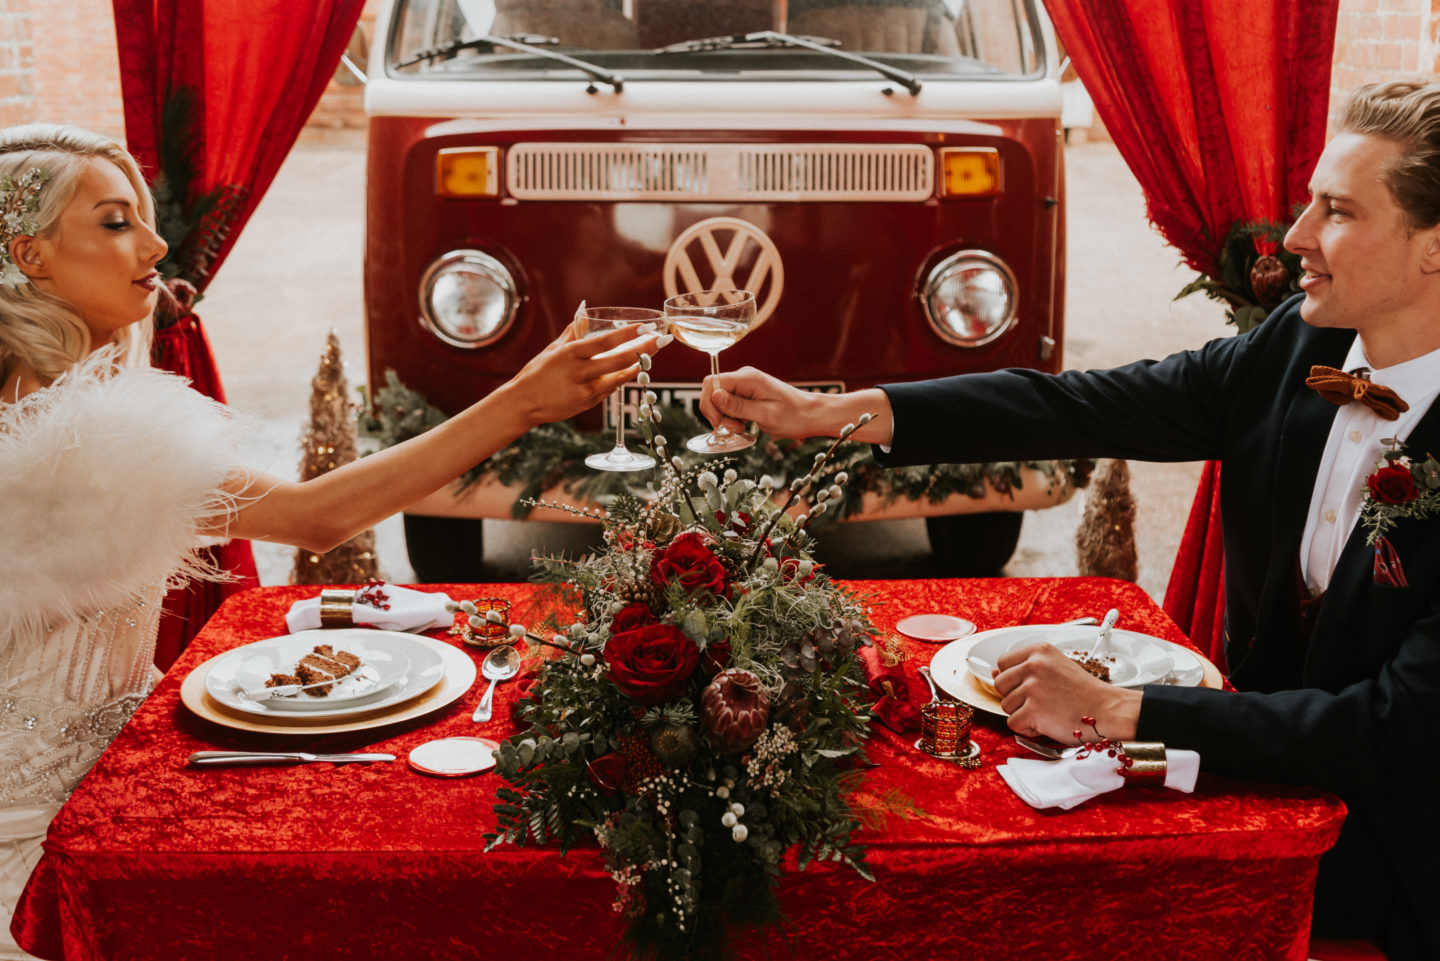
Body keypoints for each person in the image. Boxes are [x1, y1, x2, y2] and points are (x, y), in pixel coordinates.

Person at [698, 80, 1440, 959]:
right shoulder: (1301, 346)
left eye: (1340, 212)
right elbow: (1076, 405)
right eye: (1309, 201)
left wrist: (1122, 708)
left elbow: (1393, 732)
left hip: (1396, 868)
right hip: (1252, 792)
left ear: (1432, 248)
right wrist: (832, 413)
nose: (1297, 238)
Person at [0, 123, 667, 959]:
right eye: (113, 221)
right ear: (29, 256)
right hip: (54, 855)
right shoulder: (84, 436)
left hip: (117, 783)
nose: (157, 240)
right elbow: (320, 516)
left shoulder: (38, 403)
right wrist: (522, 400)